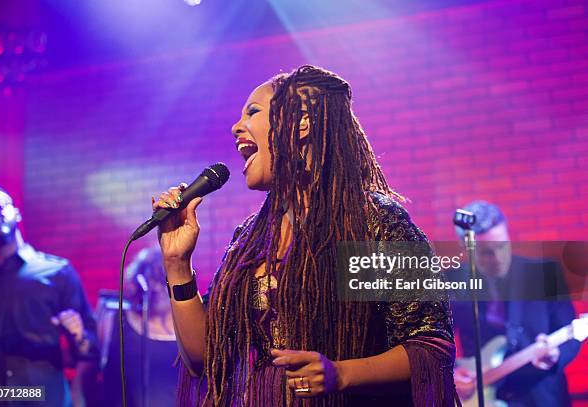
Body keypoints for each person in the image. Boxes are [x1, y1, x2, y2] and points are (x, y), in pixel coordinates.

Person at [155, 65, 457, 406]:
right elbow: (204, 358)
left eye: (253, 112)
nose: (236, 127)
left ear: (303, 122)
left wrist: (342, 374)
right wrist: (177, 263)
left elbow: (431, 348)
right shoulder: (250, 239)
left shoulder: (373, 222)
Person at [0, 182, 99, 406]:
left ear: (16, 213)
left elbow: (90, 349)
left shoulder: (56, 272)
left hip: (42, 395)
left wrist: (77, 334)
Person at [451, 201, 581, 406]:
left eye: (502, 245)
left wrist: (555, 356)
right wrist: (451, 375)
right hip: (482, 397)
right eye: (486, 252)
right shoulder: (453, 283)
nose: (497, 258)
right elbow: (434, 343)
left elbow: (572, 334)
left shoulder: (544, 274)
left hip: (542, 397)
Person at [97, 247, 179, 407]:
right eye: (150, 279)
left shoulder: (192, 329)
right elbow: (87, 376)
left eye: (161, 279)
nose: (155, 287)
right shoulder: (114, 321)